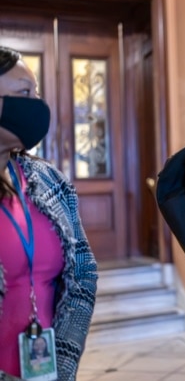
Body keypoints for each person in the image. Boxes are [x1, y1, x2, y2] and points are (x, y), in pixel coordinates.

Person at [0, 46, 98, 380]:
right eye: (23, 93)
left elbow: (83, 271)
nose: (37, 105)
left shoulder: (48, 179)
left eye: (36, 93)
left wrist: (65, 359)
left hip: (48, 368)